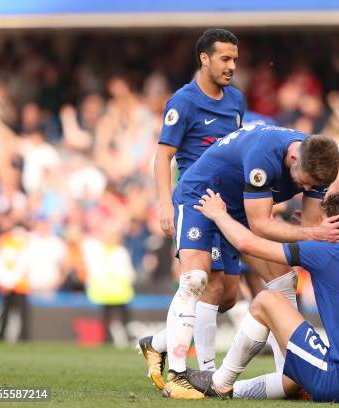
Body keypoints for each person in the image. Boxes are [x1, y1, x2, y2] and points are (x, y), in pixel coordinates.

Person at [162, 124, 339, 399]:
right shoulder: (264, 155)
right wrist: (312, 232)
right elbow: (263, 225)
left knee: (283, 279)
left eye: (313, 185)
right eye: (305, 182)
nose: (308, 188)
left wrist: (316, 232)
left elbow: (309, 227)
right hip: (202, 198)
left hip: (241, 208)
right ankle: (178, 377)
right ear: (293, 158)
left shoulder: (319, 164)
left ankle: (291, 376)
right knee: (197, 280)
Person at [186, 190, 339, 403]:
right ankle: (233, 390)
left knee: (268, 300)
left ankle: (220, 382)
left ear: (334, 225)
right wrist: (304, 230)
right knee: (293, 378)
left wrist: (219, 215)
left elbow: (247, 245)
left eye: (320, 220)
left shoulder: (327, 253)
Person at [138, 28, 246, 392]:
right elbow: (163, 157)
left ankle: (156, 344)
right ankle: (198, 375)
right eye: (224, 59)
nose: (232, 65)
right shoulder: (182, 102)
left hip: (227, 205)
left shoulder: (236, 101)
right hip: (194, 201)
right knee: (200, 283)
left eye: (234, 58)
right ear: (204, 58)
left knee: (227, 294)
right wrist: (164, 203)